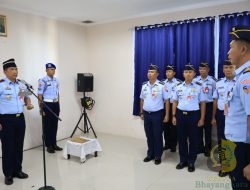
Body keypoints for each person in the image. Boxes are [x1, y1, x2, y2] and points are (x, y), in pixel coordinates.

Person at [0, 58, 34, 185]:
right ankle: (8, 174)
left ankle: (17, 170)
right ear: (5, 71)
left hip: (20, 118)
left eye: (16, 69)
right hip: (6, 120)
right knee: (8, 147)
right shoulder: (1, 85)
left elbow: (26, 97)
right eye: (12, 69)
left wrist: (29, 103)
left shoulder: (21, 84)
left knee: (19, 145)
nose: (15, 71)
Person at [224, 25, 250, 189]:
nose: (228, 52)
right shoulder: (241, 76)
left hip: (243, 147)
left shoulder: (247, 78)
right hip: (234, 143)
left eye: (231, 47)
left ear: (243, 49)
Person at [172, 64, 206, 172]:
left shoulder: (199, 86)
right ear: (183, 74)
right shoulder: (178, 87)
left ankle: (191, 161)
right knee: (181, 139)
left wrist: (202, 118)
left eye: (190, 72)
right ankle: (183, 160)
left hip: (194, 116)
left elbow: (203, 103)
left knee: (193, 140)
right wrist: (173, 115)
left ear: (194, 74)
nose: (188, 74)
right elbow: (175, 102)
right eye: (186, 72)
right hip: (181, 115)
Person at [139, 64, 170, 165]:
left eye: (152, 72)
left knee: (157, 135)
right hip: (147, 115)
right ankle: (150, 154)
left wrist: (166, 115)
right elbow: (142, 100)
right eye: (149, 72)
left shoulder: (162, 85)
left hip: (157, 114)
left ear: (157, 74)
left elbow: (167, 101)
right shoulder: (144, 85)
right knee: (149, 135)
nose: (149, 74)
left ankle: (158, 156)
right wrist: (141, 112)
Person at [211, 60, 235, 177]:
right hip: (221, 115)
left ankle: (234, 168)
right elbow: (215, 101)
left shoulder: (239, 82)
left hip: (235, 116)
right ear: (223, 69)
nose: (228, 70)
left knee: (235, 141)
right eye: (226, 67)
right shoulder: (219, 83)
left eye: (231, 67)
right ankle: (225, 167)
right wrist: (214, 117)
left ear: (235, 68)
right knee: (222, 141)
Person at [38, 63, 62, 153]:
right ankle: (48, 145)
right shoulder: (42, 80)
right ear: (46, 70)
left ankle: (54, 144)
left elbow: (57, 93)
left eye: (54, 69)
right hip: (47, 104)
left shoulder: (56, 80)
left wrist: (58, 104)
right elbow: (39, 95)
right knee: (47, 126)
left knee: (54, 125)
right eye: (51, 69)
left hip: (55, 104)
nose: (52, 71)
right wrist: (41, 108)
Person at [193, 62, 217, 157]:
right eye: (200, 69)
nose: (202, 71)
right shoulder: (195, 80)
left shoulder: (213, 81)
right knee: (198, 127)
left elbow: (215, 97)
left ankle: (207, 148)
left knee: (208, 129)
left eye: (204, 69)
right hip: (197, 106)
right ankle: (199, 147)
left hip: (209, 106)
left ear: (208, 70)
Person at [162, 65, 182, 152]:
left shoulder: (179, 82)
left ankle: (173, 145)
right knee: (165, 125)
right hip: (164, 106)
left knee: (174, 126)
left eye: (170, 72)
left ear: (174, 73)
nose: (168, 73)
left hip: (174, 105)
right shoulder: (162, 82)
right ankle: (167, 143)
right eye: (166, 72)